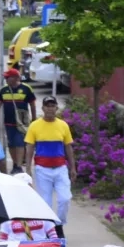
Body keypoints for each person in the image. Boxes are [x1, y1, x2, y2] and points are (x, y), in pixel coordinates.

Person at [23, 95, 76, 239]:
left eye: (53, 106)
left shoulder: (63, 125)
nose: (50, 109)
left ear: (56, 108)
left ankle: (59, 225)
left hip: (60, 168)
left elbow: (68, 147)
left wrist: (73, 167)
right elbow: (29, 147)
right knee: (45, 202)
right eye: (47, 106)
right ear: (43, 108)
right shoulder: (35, 126)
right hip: (42, 169)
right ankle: (48, 228)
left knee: (65, 198)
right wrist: (28, 168)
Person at [0, 68, 37, 174]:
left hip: (21, 123)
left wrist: (34, 118)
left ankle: (19, 166)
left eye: (7, 77)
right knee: (11, 144)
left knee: (19, 143)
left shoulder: (26, 88)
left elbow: (32, 104)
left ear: (15, 78)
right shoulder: (4, 90)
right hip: (8, 122)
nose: (6, 79)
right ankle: (15, 164)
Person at [0, 173, 58, 241]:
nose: (22, 192)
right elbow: (3, 239)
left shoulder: (41, 209)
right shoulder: (8, 212)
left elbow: (53, 235)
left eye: (26, 188)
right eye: (18, 189)